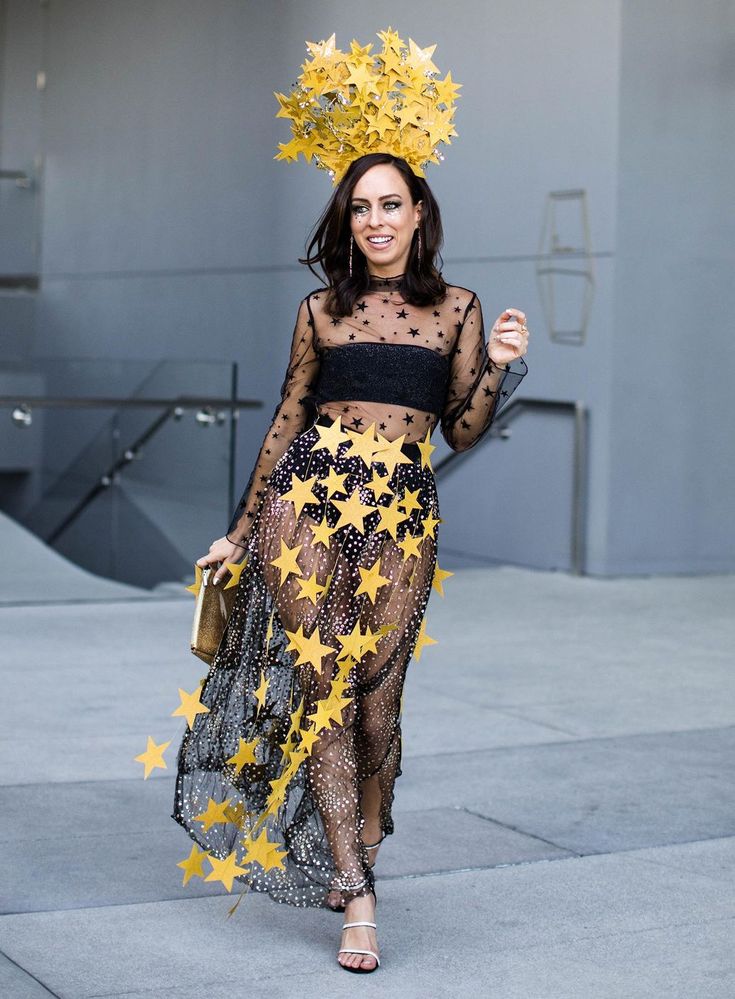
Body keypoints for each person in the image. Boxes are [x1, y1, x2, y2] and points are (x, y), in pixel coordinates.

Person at [173, 150, 529, 973]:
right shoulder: (320, 311)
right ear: (349, 219)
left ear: (416, 213)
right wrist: (239, 530)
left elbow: (463, 430)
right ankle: (354, 889)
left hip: (400, 516)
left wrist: (500, 366)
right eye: (360, 207)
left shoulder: (457, 311)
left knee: (377, 705)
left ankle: (365, 826)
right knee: (323, 689)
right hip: (306, 507)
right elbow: (286, 421)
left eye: (389, 204)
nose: (374, 220)